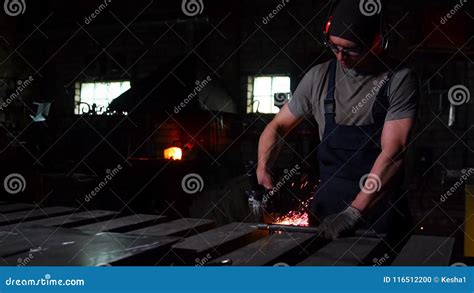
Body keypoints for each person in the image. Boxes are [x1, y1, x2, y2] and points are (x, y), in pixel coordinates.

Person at [257, 0, 419, 240]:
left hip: (380, 210)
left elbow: (393, 152)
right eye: (334, 47)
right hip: (327, 206)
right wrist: (264, 166)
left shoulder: (398, 80)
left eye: (351, 49)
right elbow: (278, 126)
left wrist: (354, 212)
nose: (341, 57)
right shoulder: (318, 77)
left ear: (377, 41)